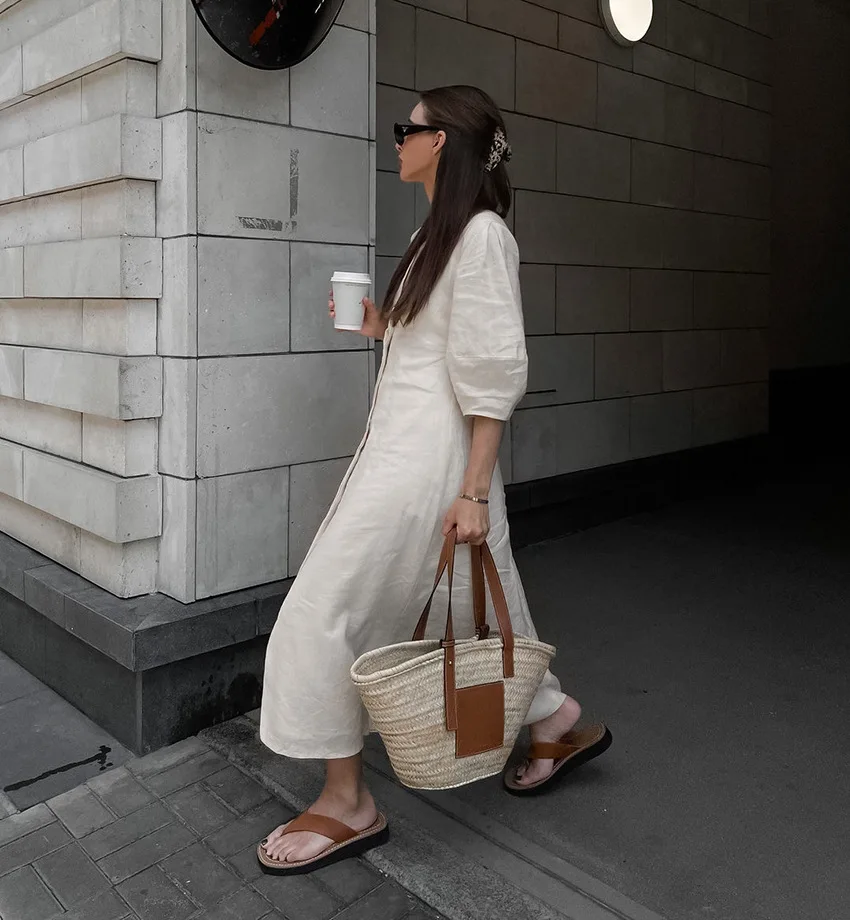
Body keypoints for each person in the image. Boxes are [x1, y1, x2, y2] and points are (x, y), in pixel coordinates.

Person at [257, 85, 610, 875]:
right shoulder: (439, 235)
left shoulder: (480, 236)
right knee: (475, 606)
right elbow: (440, 348)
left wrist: (474, 491)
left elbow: (493, 375)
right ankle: (555, 716)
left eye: (406, 130)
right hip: (409, 460)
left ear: (441, 142)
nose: (397, 141)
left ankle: (349, 802)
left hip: (429, 471)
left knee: (323, 608)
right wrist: (386, 325)